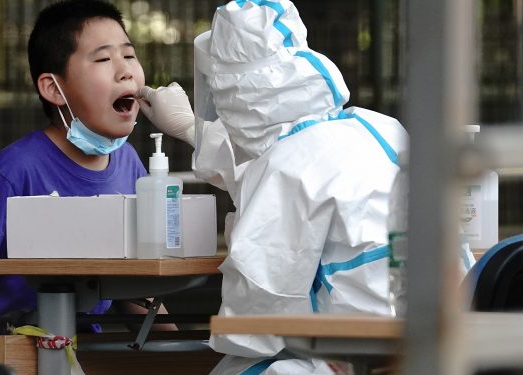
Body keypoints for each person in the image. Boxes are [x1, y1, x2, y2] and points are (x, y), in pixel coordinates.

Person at [136, 0, 418, 373]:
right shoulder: (378, 128)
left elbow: (257, 320)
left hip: (356, 353)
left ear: (232, 96)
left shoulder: (286, 167)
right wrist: (192, 129)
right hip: (440, 335)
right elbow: (277, 163)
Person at [0, 1, 165, 373]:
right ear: (53, 88)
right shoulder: (13, 172)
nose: (126, 72)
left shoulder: (132, 166)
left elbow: (138, 294)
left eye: (129, 55)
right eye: (104, 60)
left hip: (77, 361)